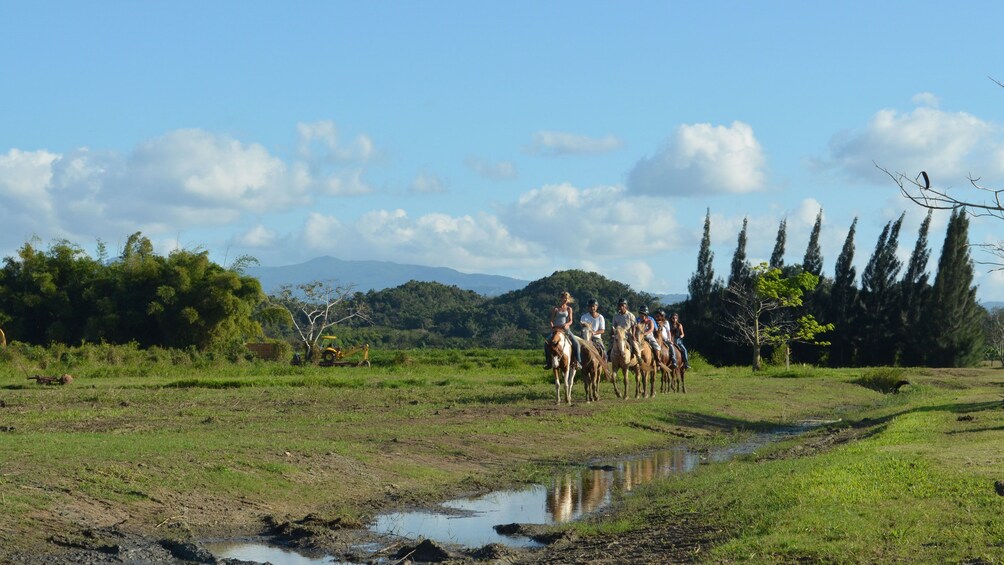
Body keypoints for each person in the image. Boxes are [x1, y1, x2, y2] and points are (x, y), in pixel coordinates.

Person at [545, 291, 582, 369]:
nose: (565, 299)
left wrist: (567, 324)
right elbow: (551, 320)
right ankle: (548, 362)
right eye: (564, 298)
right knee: (546, 344)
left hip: (565, 330)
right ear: (561, 298)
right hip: (556, 330)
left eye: (567, 298)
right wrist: (552, 327)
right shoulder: (555, 309)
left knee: (576, 343)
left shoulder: (569, 309)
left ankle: (578, 362)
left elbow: (571, 320)